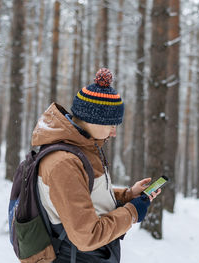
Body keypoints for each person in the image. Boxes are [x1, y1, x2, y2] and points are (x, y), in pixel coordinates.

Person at [31, 68, 160, 263]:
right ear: (94, 120)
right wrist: (132, 213)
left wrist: (127, 196)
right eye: (112, 125)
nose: (113, 133)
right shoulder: (64, 163)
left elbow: (86, 196)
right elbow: (87, 236)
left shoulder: (83, 149)